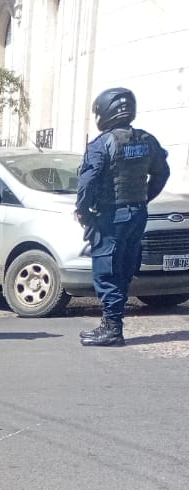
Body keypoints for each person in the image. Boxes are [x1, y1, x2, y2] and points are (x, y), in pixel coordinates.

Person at [75, 87, 170, 347]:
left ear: (105, 112)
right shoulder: (146, 140)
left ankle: (112, 329)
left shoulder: (102, 144)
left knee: (106, 270)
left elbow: (88, 181)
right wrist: (144, 198)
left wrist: (82, 209)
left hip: (111, 216)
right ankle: (112, 324)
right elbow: (162, 173)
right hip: (138, 214)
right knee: (125, 268)